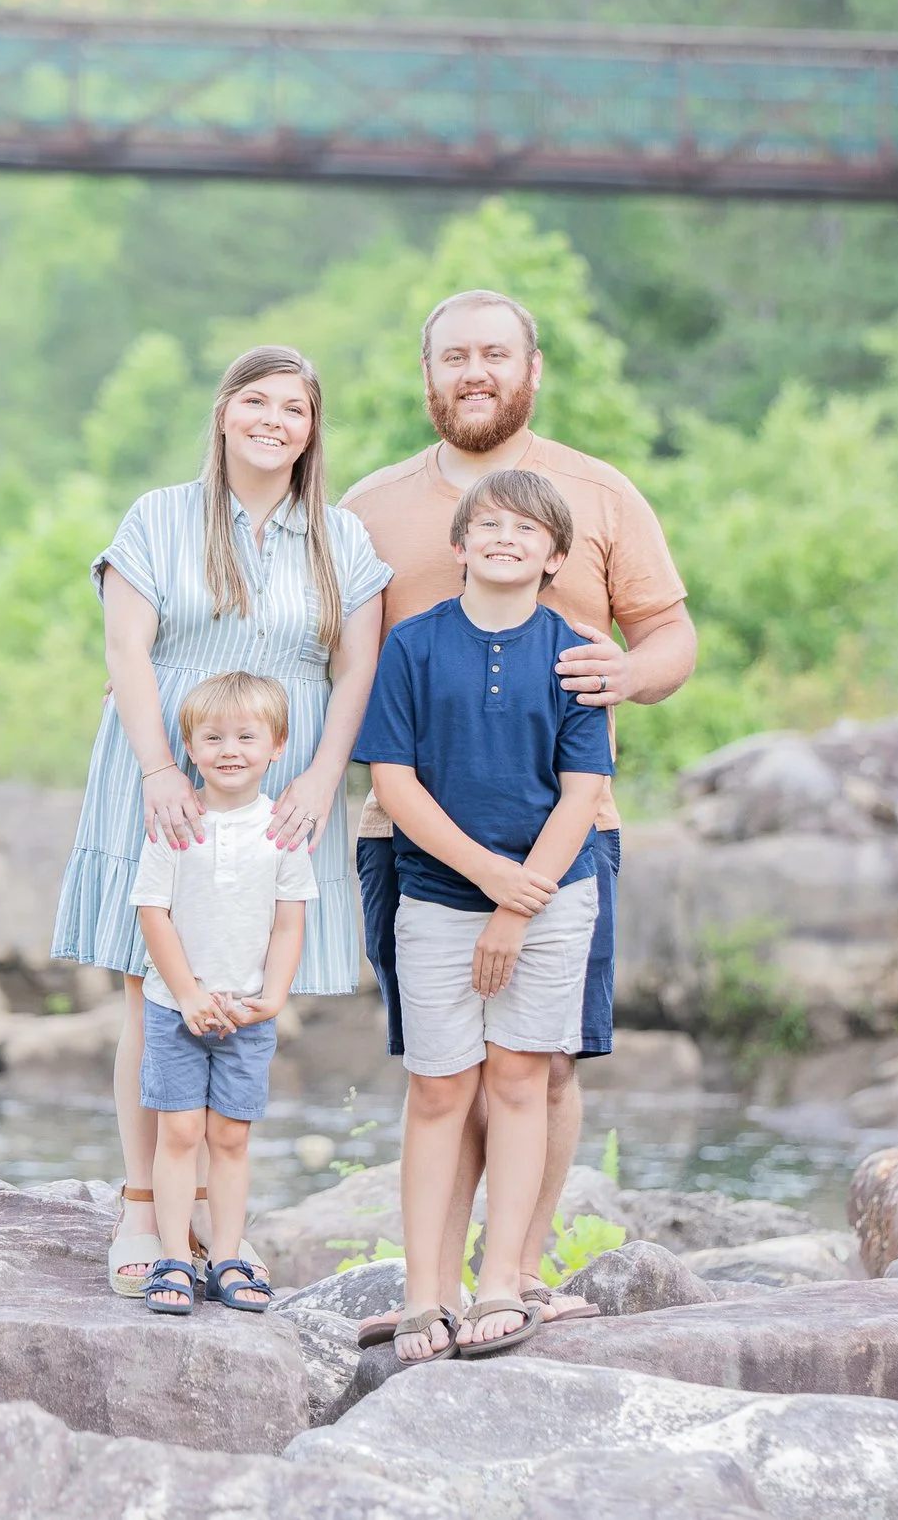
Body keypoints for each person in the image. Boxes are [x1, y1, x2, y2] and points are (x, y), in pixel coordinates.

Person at [341, 289, 695, 1346]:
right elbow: (324, 650)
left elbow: (671, 634)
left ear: (531, 366)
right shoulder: (367, 506)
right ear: (429, 374)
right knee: (441, 1067)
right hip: (409, 836)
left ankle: (518, 1273)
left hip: (567, 829)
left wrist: (626, 676)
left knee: (540, 1061)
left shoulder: (596, 491)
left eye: (495, 352)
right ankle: (430, 1288)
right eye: (455, 356)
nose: (475, 371)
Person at [50, 345, 392, 1297]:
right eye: (255, 400)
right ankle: (145, 1209)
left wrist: (326, 776)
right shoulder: (159, 517)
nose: (273, 419)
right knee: (150, 994)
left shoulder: (343, 538)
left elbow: (355, 668)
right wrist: (160, 768)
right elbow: (128, 646)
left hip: (283, 788)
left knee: (241, 985)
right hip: (162, 772)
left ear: (313, 429)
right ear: (224, 412)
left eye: (294, 406)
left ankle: (220, 1221)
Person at [354, 470, 613, 1359]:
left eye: (528, 528)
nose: (506, 537)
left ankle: (502, 1279)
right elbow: (393, 781)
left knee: (518, 1079)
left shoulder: (574, 650)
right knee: (438, 1087)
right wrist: (484, 877)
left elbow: (584, 792)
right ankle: (428, 1291)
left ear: (555, 556)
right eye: (489, 523)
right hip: (435, 896)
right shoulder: (414, 647)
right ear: (459, 545)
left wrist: (518, 901)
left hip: (551, 897)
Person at [131, 671, 315, 1315]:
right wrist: (185, 994)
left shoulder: (282, 829)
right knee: (179, 1131)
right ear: (190, 747)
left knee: (230, 1136)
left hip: (245, 1011)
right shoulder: (175, 823)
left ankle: (230, 1255)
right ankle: (174, 1257)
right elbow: (152, 913)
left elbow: (290, 921)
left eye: (246, 736)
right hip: (175, 1006)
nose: (229, 749)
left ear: (277, 744)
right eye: (212, 737)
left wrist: (273, 997)